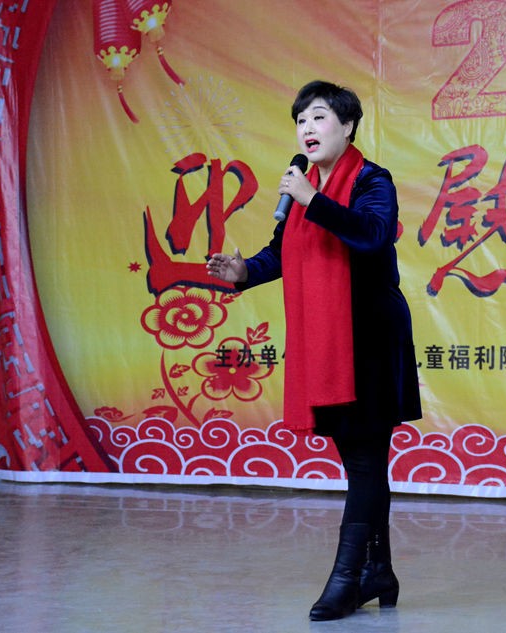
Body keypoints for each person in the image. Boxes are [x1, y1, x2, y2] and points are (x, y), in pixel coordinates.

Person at [206, 80, 422, 621]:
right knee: (361, 462)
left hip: (369, 337)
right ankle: (378, 570)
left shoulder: (371, 180)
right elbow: (281, 254)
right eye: (301, 119)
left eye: (319, 117)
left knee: (366, 459)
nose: (307, 127)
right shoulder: (305, 191)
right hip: (328, 340)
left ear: (348, 127)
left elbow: (373, 234)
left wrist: (313, 200)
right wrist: (242, 271)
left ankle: (347, 579)